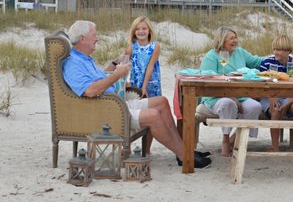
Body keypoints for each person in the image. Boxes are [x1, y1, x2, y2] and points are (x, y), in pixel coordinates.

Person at [62, 20, 211, 169]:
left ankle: (183, 151)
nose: (97, 39)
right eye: (94, 35)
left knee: (161, 102)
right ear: (82, 39)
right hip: (108, 111)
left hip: (116, 103)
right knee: (153, 115)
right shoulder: (73, 62)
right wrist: (116, 76)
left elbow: (101, 78)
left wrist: (117, 74)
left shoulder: (85, 58)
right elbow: (90, 91)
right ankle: (186, 157)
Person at [196, 26, 263, 157]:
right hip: (216, 96)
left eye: (236, 37)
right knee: (228, 103)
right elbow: (208, 83)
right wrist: (231, 97)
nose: (235, 41)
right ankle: (225, 140)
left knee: (255, 106)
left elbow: (257, 61)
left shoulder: (240, 52)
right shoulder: (211, 56)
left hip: (240, 96)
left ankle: (235, 139)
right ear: (222, 40)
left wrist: (277, 56)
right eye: (231, 38)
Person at [258, 35, 293, 152]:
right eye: (275, 49)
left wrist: (289, 102)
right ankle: (275, 147)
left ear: (288, 51)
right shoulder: (267, 62)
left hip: (289, 97)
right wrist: (271, 96)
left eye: (280, 50)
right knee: (275, 109)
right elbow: (261, 83)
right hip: (269, 96)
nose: (276, 52)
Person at [125, 16, 162, 98]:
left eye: (144, 28)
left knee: (154, 106)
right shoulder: (132, 46)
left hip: (151, 83)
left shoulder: (155, 46)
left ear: (149, 30)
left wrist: (144, 87)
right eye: (137, 29)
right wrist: (125, 81)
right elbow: (124, 63)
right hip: (136, 82)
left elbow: (150, 66)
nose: (141, 31)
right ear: (134, 31)